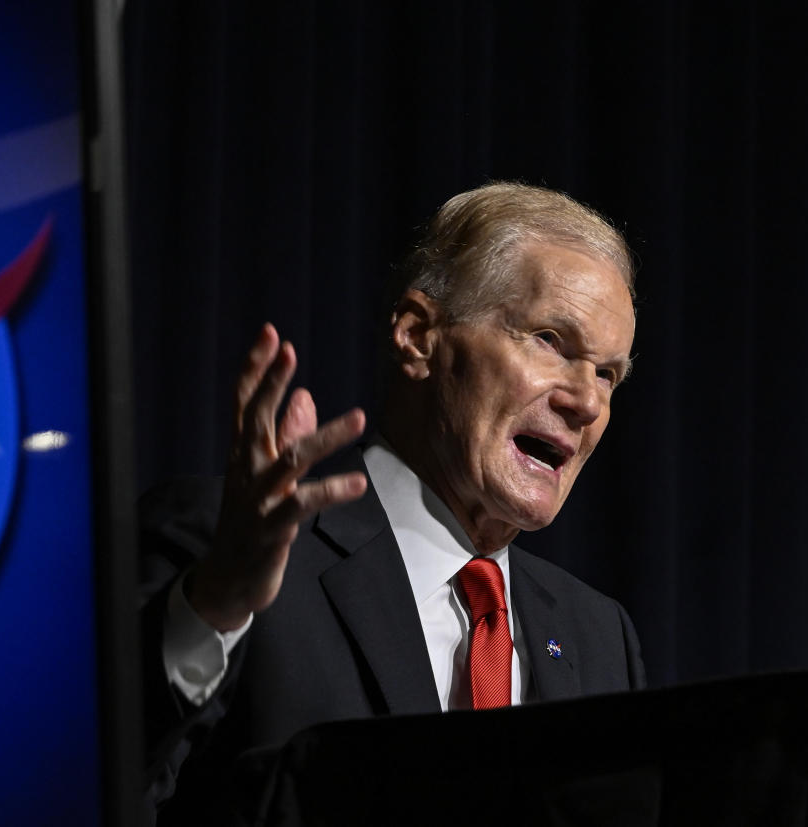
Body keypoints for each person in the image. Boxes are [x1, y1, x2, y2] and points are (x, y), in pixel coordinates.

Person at [139, 182, 646, 824]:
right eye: (551, 340)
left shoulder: (599, 637)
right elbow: (78, 782)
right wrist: (211, 610)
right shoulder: (230, 555)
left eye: (607, 373)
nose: (588, 402)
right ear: (417, 336)